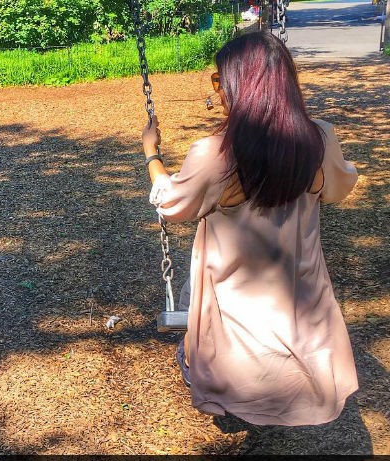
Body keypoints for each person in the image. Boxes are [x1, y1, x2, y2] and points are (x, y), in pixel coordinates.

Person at [141, 32, 359, 426]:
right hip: (299, 284)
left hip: (236, 291)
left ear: (240, 87)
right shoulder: (319, 138)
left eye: (220, 80)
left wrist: (151, 152)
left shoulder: (215, 154)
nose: (218, 90)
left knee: (222, 346)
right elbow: (340, 187)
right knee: (293, 342)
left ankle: (227, 384)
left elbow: (171, 203)